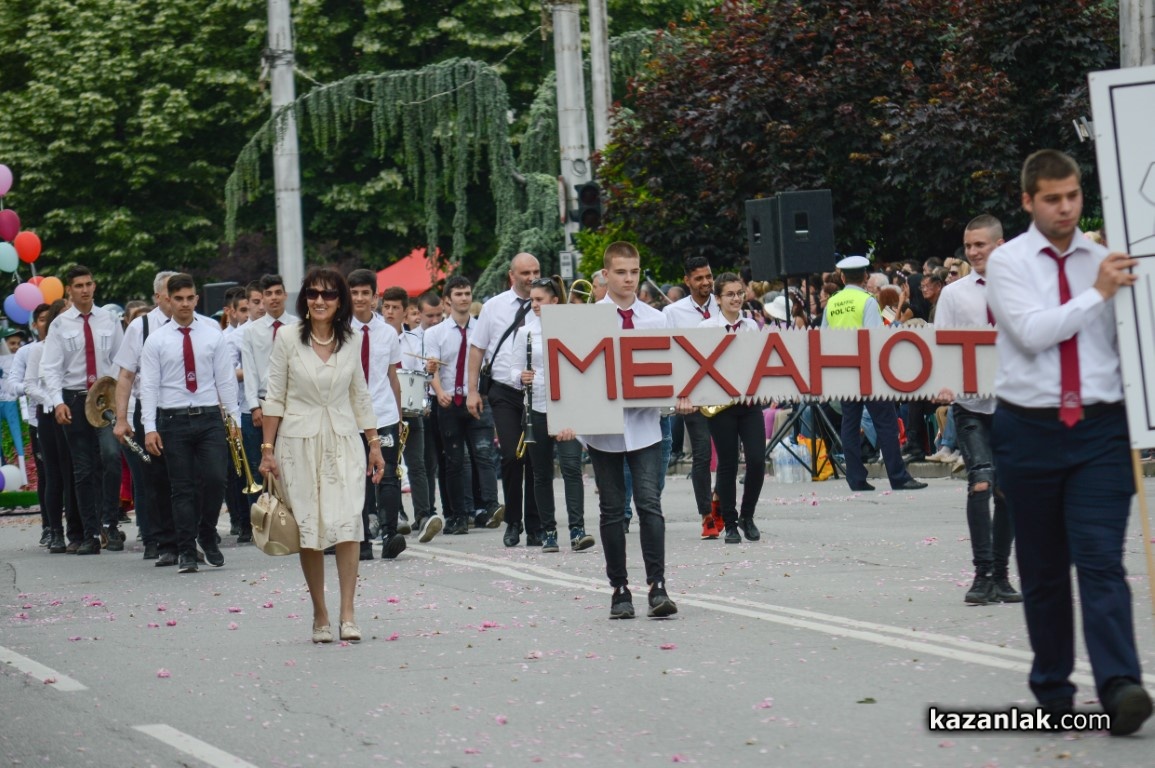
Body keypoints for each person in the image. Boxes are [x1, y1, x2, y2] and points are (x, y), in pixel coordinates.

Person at [987, 149, 1151, 734]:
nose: (1065, 208)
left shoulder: (1108, 257)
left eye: (1073, 196)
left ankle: (1121, 686)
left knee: (1101, 559)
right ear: (1028, 201)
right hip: (1028, 428)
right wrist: (1097, 293)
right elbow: (1032, 332)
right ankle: (1053, 689)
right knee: (1044, 570)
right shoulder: (1007, 261)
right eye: (1052, 199)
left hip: (1102, 428)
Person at [259, 267, 385, 644]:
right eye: (313, 294)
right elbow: (274, 395)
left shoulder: (351, 340)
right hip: (297, 443)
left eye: (328, 295)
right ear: (304, 299)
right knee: (309, 529)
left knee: (348, 523)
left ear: (339, 301)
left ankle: (348, 613)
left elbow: (359, 394)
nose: (319, 300)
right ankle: (320, 614)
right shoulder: (287, 337)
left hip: (344, 442)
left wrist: (374, 443)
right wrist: (267, 450)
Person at [559, 242, 677, 620]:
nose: (629, 279)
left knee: (649, 504)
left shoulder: (656, 320)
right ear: (605, 274)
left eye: (634, 272)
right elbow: (571, 373)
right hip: (602, 431)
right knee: (611, 510)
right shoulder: (586, 319)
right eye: (621, 272)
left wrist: (679, 396)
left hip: (645, 426)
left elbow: (670, 368)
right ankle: (619, 589)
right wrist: (568, 420)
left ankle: (658, 586)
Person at [935, 214, 1019, 605]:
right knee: (981, 480)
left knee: (1006, 490)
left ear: (1000, 245)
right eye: (968, 246)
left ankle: (1001, 575)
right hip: (970, 405)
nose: (972, 252)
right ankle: (982, 574)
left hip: (1012, 405)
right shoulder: (954, 294)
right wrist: (943, 382)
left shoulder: (1023, 288)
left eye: (979, 245)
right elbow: (941, 345)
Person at [140, 274, 238, 574]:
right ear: (168, 300)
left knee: (216, 479)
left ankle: (206, 533)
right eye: (178, 298)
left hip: (209, 416)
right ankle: (186, 550)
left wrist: (233, 417)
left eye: (189, 298)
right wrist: (149, 427)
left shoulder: (212, 334)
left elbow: (225, 379)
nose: (185, 304)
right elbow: (149, 386)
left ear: (196, 299)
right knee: (181, 487)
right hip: (173, 419)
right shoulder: (156, 340)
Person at [41, 265, 126, 554]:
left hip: (104, 398)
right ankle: (90, 533)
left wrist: (115, 394)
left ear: (94, 286)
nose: (85, 290)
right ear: (70, 290)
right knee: (83, 468)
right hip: (75, 399)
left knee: (111, 456)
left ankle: (110, 522)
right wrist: (58, 402)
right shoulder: (59, 325)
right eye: (79, 286)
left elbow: (121, 359)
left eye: (89, 284)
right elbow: (51, 368)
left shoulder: (110, 319)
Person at [822, 255, 926, 493]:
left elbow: (823, 339)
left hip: (844, 371)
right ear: (865, 277)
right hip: (868, 372)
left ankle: (856, 479)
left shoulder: (832, 303)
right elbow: (873, 339)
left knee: (849, 424)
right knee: (886, 423)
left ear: (842, 277)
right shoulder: (867, 301)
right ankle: (898, 477)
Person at [509, 277, 595, 553]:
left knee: (571, 467)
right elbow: (513, 370)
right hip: (537, 406)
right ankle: (548, 532)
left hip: (567, 406)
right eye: (532, 300)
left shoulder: (572, 328)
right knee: (541, 472)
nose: (534, 305)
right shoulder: (526, 332)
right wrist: (521, 377)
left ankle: (577, 529)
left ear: (555, 300)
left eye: (539, 300)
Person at [467, 253, 541, 545]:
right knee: (511, 456)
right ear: (512, 275)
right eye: (525, 273)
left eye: (536, 271)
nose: (531, 277)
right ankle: (513, 521)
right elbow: (477, 349)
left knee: (535, 457)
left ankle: (535, 525)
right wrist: (472, 390)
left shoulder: (548, 305)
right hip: (504, 391)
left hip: (539, 391)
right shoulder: (494, 307)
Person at [425, 275, 501, 537]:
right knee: (454, 460)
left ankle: (490, 508)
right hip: (449, 401)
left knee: (484, 454)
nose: (464, 298)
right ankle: (458, 515)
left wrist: (483, 391)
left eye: (467, 293)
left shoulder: (481, 328)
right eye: (458, 294)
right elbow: (431, 367)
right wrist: (439, 392)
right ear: (448, 300)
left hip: (476, 399)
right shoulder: (435, 333)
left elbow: (489, 363)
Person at [693, 273, 765, 544]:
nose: (736, 298)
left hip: (749, 402)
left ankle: (748, 516)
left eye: (739, 293)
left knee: (757, 460)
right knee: (728, 463)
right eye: (730, 294)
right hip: (721, 405)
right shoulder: (706, 328)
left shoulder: (751, 326)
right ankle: (731, 523)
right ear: (717, 299)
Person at [113, 270, 179, 563]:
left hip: (183, 408)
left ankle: (188, 535)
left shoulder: (194, 325)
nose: (178, 300)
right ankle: (158, 539)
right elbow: (125, 376)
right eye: (171, 293)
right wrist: (121, 418)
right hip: (149, 408)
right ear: (158, 297)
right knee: (153, 477)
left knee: (187, 476)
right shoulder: (140, 327)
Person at [347, 270, 406, 561]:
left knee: (389, 474)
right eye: (354, 293)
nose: (360, 298)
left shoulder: (387, 332)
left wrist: (399, 415)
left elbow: (392, 375)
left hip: (383, 413)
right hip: (351, 415)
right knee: (357, 478)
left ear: (375, 296)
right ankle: (362, 540)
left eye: (365, 293)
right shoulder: (339, 331)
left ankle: (390, 534)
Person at [663, 256, 722, 539]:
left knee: (728, 454)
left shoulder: (723, 304)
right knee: (701, 453)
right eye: (699, 278)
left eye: (708, 276)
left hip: (725, 390)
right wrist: (679, 393)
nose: (706, 282)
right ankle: (706, 515)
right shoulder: (672, 313)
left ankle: (719, 500)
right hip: (693, 392)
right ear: (687, 281)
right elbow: (668, 353)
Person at [381, 286, 425, 538]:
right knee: (390, 465)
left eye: (395, 308)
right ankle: (395, 514)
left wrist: (429, 370)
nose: (389, 312)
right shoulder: (377, 338)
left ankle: (424, 514)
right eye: (386, 307)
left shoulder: (414, 341)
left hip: (410, 408)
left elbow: (419, 375)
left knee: (416, 464)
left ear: (405, 312)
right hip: (386, 409)